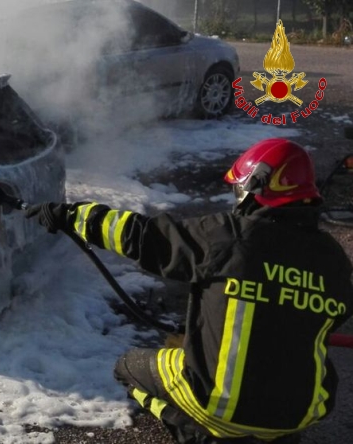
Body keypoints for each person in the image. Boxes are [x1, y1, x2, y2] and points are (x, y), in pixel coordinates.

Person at [25, 138, 353, 443]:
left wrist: (68, 215)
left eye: (240, 188)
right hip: (299, 414)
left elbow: (139, 235)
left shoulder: (227, 236)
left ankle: (197, 431)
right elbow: (320, 317)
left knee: (127, 368)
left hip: (218, 406)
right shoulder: (334, 259)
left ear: (257, 186)